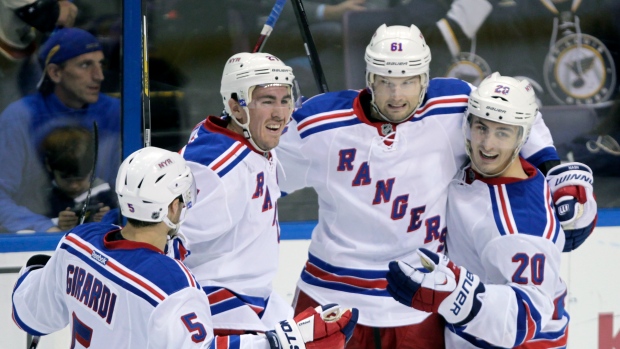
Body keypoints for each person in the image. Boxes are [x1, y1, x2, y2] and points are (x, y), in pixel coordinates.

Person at [276, 24, 596, 348]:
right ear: (369, 78)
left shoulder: (454, 104)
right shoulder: (318, 123)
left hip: (419, 301)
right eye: (386, 81)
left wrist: (555, 172)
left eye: (408, 81)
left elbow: (517, 112)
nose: (397, 95)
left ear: (425, 78)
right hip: (330, 299)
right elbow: (257, 174)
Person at [12, 146, 359, 349]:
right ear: (173, 207)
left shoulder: (75, 245)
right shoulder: (173, 285)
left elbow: (28, 313)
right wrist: (282, 341)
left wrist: (37, 268)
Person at [385, 73, 597, 347]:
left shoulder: (520, 226)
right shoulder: (484, 161)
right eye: (481, 128)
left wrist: (456, 297)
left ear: (522, 138)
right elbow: (516, 104)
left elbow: (527, 317)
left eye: (502, 133)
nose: (487, 145)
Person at [179, 52, 300, 334]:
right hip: (217, 312)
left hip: (255, 301)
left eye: (285, 100)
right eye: (267, 101)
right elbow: (162, 242)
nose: (280, 113)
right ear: (235, 107)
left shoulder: (249, 140)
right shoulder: (217, 170)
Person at [0, 27, 121, 233]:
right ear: (55, 72)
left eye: (101, 64)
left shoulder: (115, 112)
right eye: (85, 65)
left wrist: (111, 217)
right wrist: (46, 227)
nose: (99, 76)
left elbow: (126, 190)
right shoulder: (20, 117)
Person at [0, 0, 78, 106]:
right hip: (6, 56)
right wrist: (57, 10)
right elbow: (36, 12)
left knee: (40, 101)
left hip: (23, 48)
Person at [40, 125, 118, 230]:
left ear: (92, 168)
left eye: (80, 178)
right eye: (66, 179)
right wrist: (55, 224)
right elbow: (32, 222)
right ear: (49, 166)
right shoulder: (42, 197)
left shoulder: (106, 194)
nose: (74, 186)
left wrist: (109, 219)